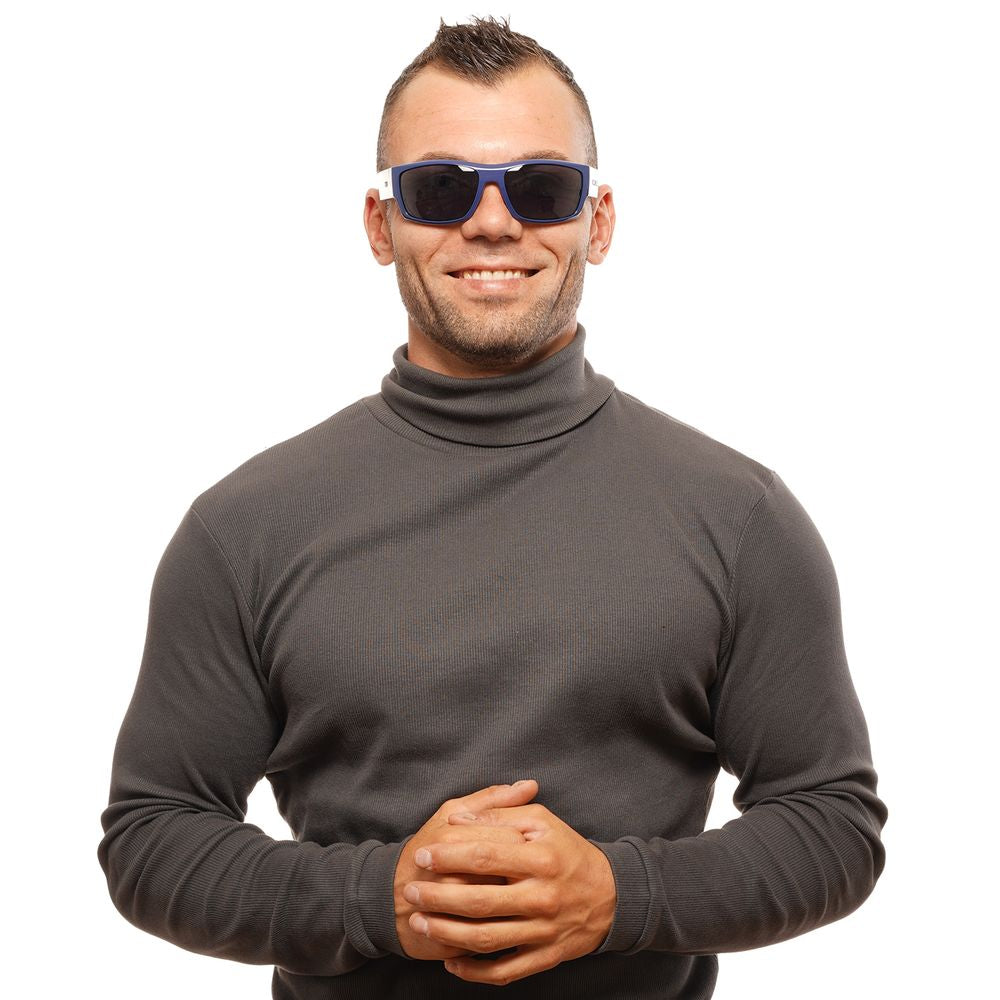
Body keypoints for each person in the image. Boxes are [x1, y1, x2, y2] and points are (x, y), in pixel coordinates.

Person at [97, 15, 888, 1000]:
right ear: (381, 223)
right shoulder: (245, 528)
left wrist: (618, 895)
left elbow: (832, 823)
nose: (492, 223)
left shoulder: (739, 517)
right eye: (441, 188)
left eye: (539, 187)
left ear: (597, 220)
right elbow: (152, 836)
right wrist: (383, 899)